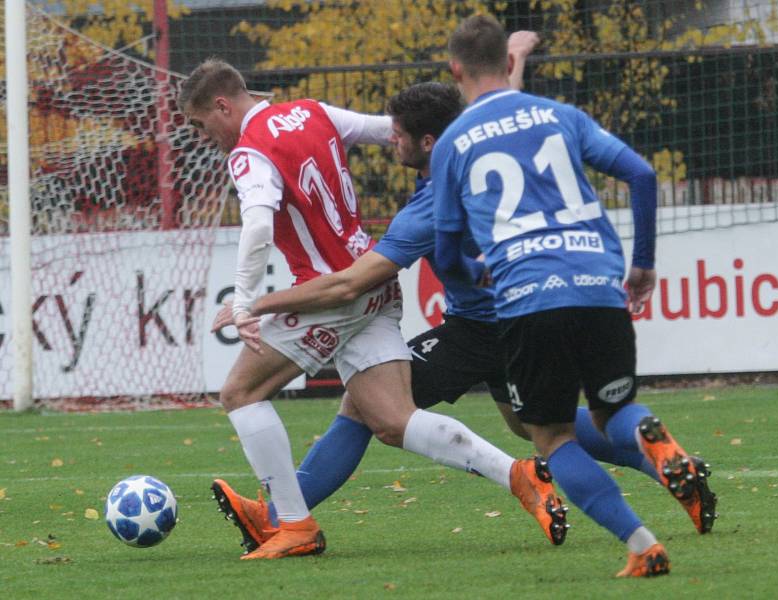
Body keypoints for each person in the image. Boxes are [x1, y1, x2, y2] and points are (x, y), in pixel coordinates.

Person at [210, 31, 709, 556]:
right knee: (531, 422)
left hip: (485, 325)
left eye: (399, 136)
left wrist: (256, 302)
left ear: (427, 143)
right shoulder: (496, 137)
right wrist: (513, 61)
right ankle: (674, 466)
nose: (390, 142)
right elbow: (511, 108)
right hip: (547, 301)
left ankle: (285, 516)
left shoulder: (430, 202)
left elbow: (352, 281)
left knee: (369, 410)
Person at [179, 57, 566, 560]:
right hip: (374, 280)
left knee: (240, 392)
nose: (201, 134)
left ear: (222, 105)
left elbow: (256, 225)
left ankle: (293, 523)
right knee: (390, 419)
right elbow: (395, 132)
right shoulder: (313, 112)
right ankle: (518, 475)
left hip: (331, 292)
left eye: (199, 122)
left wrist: (245, 298)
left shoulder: (250, 152)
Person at [431, 15, 717, 578]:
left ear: (454, 69)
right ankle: (651, 438)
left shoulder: (452, 143)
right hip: (598, 285)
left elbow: (445, 257)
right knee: (615, 411)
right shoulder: (562, 116)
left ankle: (642, 544)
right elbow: (640, 174)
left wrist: (474, 276)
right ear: (507, 62)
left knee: (551, 436)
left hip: (528, 298)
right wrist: (644, 264)